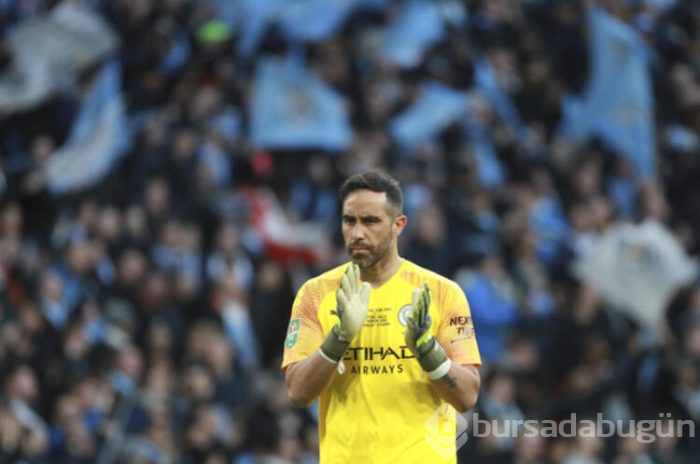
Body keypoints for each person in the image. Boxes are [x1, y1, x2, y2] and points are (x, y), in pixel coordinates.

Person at [282, 171, 482, 462]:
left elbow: (466, 397)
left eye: (371, 221)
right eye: (349, 220)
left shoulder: (441, 293)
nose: (357, 232)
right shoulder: (316, 294)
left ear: (398, 225)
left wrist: (428, 351)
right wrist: (338, 339)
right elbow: (298, 393)